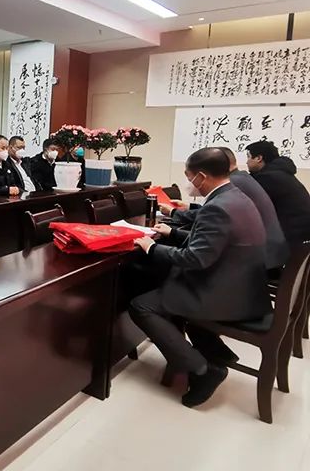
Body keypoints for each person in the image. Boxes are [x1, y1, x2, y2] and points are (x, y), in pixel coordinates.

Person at [130, 147, 271, 408]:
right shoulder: (237, 195)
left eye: (189, 176)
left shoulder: (217, 207)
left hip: (225, 294)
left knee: (142, 306)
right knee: (167, 289)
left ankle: (202, 370)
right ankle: (216, 353)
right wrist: (173, 234)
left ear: (202, 176)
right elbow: (218, 242)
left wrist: (152, 247)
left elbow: (196, 258)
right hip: (244, 286)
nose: (189, 183)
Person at [163, 147, 289, 272]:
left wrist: (173, 214)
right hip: (263, 255)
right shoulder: (239, 181)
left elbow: (213, 215)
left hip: (258, 262)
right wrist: (176, 228)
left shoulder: (234, 183)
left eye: (189, 178)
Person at [245, 141, 310, 248]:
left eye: (248, 157)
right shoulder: (279, 172)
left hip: (294, 236)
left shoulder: (268, 177)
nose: (247, 162)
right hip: (300, 231)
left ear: (259, 158)